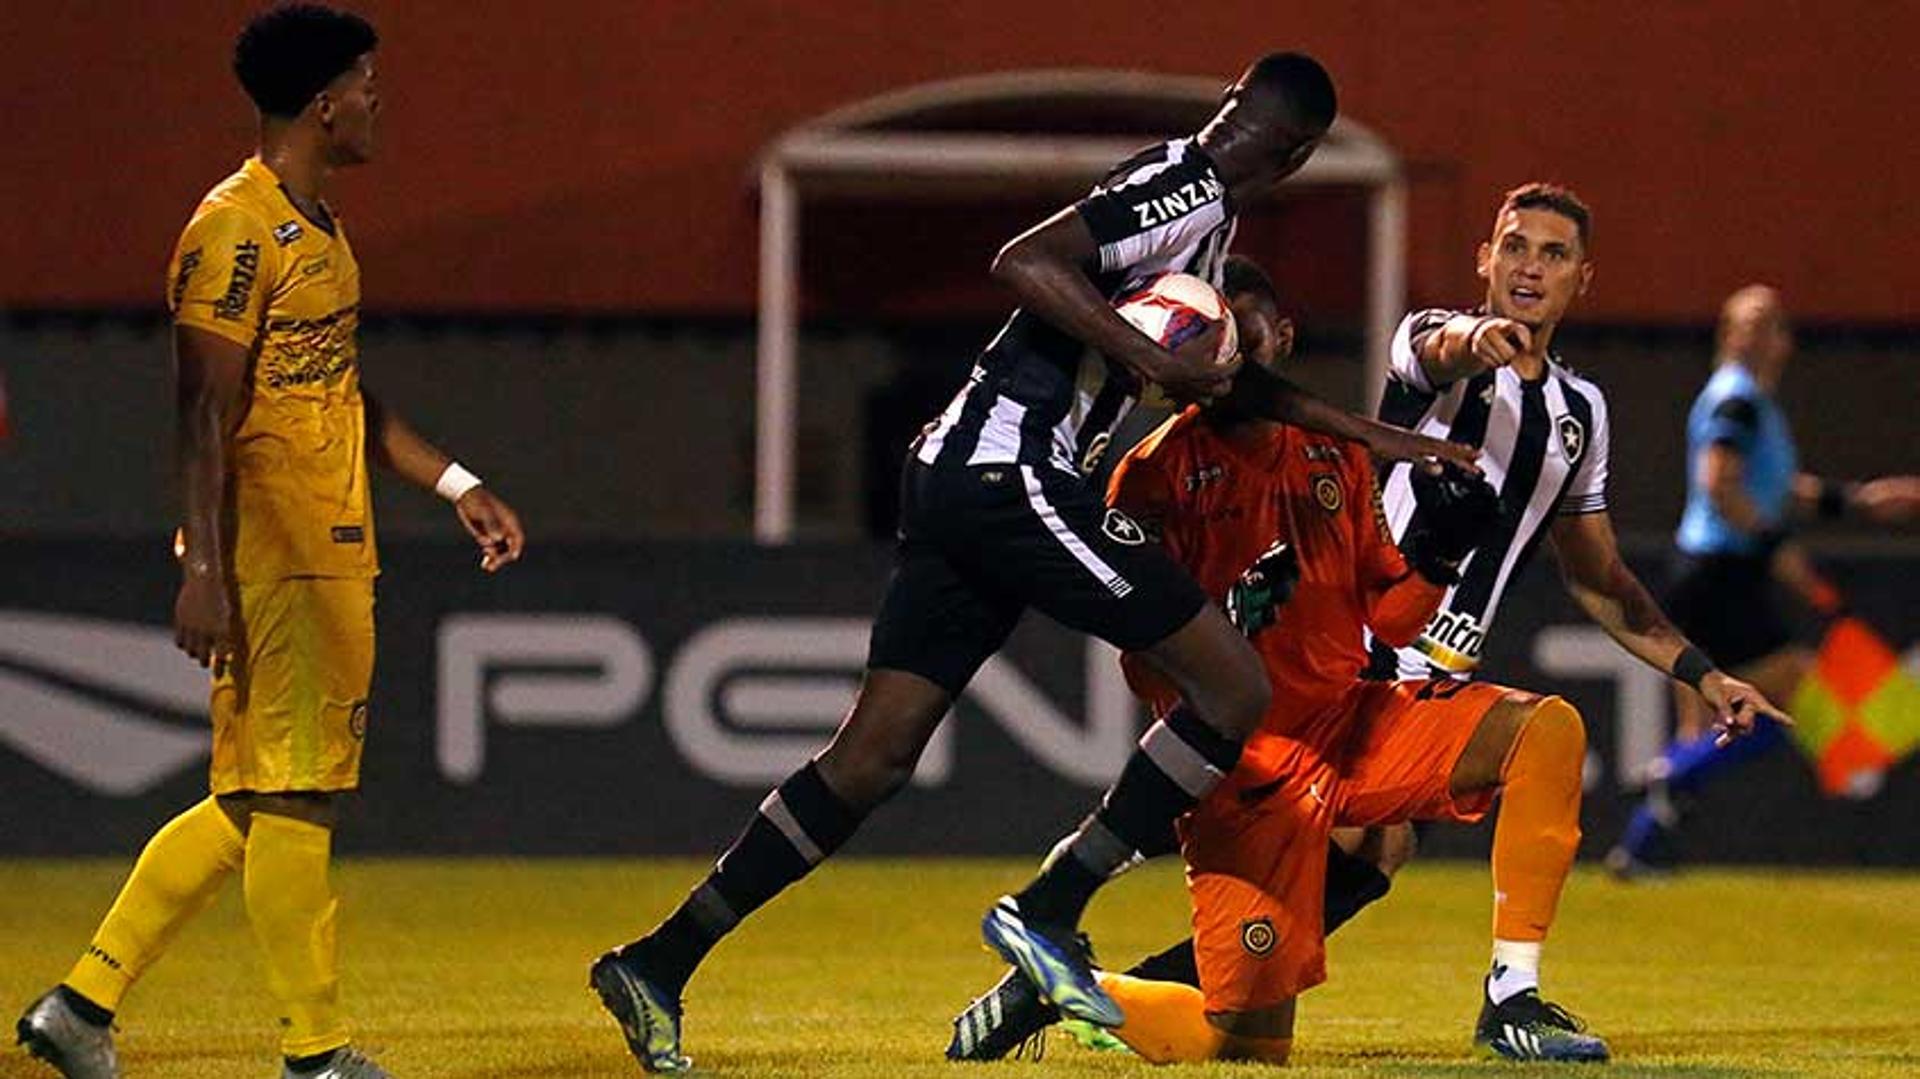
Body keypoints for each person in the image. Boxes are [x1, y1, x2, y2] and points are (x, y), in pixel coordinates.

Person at [588, 53, 1476, 1074]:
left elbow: (1226, 386)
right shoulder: (1181, 188)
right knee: (1233, 681)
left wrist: (1375, 435)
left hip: (963, 471)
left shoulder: (1206, 217)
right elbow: (1025, 259)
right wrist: (1151, 359)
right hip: (1010, 465)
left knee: (871, 755)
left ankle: (657, 960)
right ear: (1299, 152)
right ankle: (1046, 908)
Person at [951, 183, 1791, 1061]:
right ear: (1485, 260)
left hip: (1416, 666)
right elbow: (1438, 348)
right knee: (1324, 864)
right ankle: (1081, 964)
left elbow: (1602, 576)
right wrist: (1482, 340)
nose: (1529, 267)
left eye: (1552, 253)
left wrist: (1704, 672)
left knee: (1388, 843)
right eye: (1514, 246)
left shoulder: (1580, 414)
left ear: (1584, 276)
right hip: (1352, 659)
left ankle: (1507, 994)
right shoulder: (1428, 351)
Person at [15, 8, 525, 1079]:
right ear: (324, 100)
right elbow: (202, 406)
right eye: (368, 84)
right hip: (276, 547)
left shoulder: (321, 230)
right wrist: (205, 566)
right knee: (296, 794)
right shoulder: (233, 229)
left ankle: (79, 1004)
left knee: (257, 793)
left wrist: (456, 479)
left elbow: (334, 386)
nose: (380, 102)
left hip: (331, 537)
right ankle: (315, 1050)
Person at [1608, 285, 1920, 876]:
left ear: (1784, 340)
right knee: (1787, 695)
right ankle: (1672, 779)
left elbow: (1772, 484)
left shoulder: (1749, 403)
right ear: (1729, 335)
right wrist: (1780, 549)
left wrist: (1857, 501)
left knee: (1702, 724)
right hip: (1720, 573)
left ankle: (1642, 850)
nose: (1756, 333)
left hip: (1700, 573)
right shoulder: (1737, 400)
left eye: (1768, 323)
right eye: (1746, 323)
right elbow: (1721, 484)